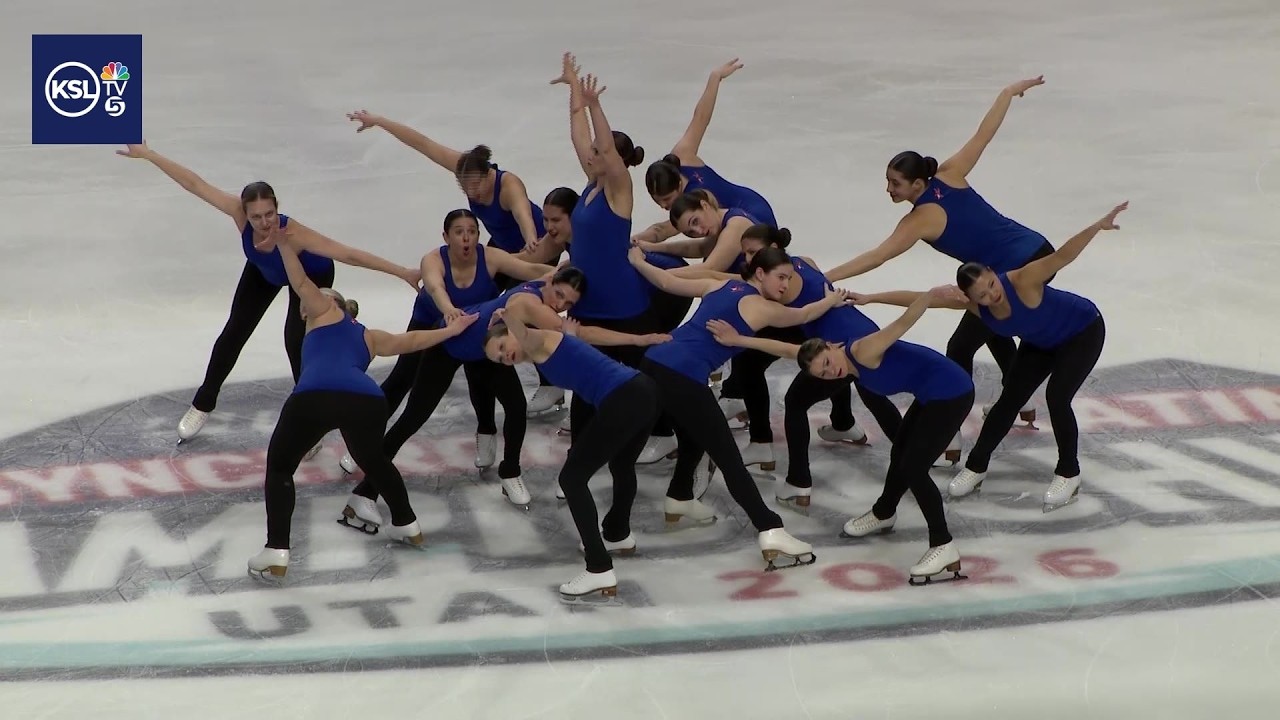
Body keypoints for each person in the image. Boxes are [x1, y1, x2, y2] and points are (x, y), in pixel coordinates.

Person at [115, 142, 421, 447]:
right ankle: (203, 403)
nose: (264, 223)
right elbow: (194, 184)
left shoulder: (295, 234)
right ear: (245, 213)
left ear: (277, 207)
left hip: (310, 276)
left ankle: (309, 420)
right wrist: (151, 155)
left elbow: (349, 254)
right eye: (256, 217)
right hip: (264, 272)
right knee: (233, 333)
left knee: (296, 343)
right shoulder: (237, 213)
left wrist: (401, 271)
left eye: (270, 214)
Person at [824, 76, 1052, 451]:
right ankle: (1020, 396)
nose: (889, 190)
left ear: (916, 184)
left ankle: (953, 424)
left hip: (1013, 271)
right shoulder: (949, 173)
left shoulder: (919, 219)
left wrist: (825, 276)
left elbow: (878, 256)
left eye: (896, 183)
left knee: (961, 346)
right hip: (1039, 250)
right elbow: (984, 135)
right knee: (992, 325)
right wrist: (1007, 94)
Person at [854, 202, 1124, 512]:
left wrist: (1096, 226)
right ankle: (976, 465)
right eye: (982, 294)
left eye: (992, 284)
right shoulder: (974, 307)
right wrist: (870, 297)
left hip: (1082, 332)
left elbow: (1063, 255)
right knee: (1009, 400)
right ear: (970, 299)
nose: (992, 295)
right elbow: (920, 299)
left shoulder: (1022, 279)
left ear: (995, 274)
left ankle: (1068, 472)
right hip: (1041, 343)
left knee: (1058, 398)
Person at [340, 269, 665, 520]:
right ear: (551, 283)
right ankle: (365, 493)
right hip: (449, 346)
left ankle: (510, 472)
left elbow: (546, 293)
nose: (561, 305)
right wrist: (638, 340)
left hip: (491, 352)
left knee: (515, 406)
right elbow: (582, 333)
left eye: (569, 304)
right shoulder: (532, 305)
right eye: (560, 296)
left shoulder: (541, 286)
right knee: (412, 418)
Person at [248, 232, 477, 581]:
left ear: (331, 303)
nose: (303, 302)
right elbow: (411, 341)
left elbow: (299, 279)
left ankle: (276, 550)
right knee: (376, 462)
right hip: (368, 401)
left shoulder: (323, 310)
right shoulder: (369, 335)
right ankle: (407, 524)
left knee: (280, 468)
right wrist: (450, 331)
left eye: (309, 299)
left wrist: (283, 243)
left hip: (316, 396)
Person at [708, 288, 975, 585]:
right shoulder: (839, 363)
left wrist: (928, 295)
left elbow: (903, 323)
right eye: (822, 375)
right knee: (900, 453)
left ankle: (943, 545)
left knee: (913, 468)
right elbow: (784, 349)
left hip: (952, 392)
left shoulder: (861, 351)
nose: (829, 372)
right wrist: (738, 340)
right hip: (929, 394)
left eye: (826, 363)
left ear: (832, 346)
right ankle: (884, 512)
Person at [627, 245, 850, 571]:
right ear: (760, 273)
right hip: (682, 375)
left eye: (789, 279)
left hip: (654, 361)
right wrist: (830, 300)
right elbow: (802, 315)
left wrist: (637, 261)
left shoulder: (718, 285)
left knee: (693, 439)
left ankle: (680, 497)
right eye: (781, 277)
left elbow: (666, 282)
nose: (786, 286)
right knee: (729, 458)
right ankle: (770, 528)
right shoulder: (761, 307)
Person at [337, 209, 556, 474]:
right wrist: (448, 309)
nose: (466, 238)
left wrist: (564, 274)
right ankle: (361, 445)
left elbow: (530, 269)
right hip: (432, 323)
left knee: (482, 378)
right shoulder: (433, 259)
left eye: (472, 232)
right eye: (459, 232)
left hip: (472, 326)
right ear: (446, 236)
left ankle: (486, 435)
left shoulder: (490, 257)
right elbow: (435, 287)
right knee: (402, 379)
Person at [484, 313, 657, 604]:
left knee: (572, 479)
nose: (505, 356)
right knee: (621, 464)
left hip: (624, 398)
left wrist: (506, 311)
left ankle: (598, 567)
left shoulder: (536, 341)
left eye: (502, 346)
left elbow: (522, 326)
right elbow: (575, 358)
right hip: (643, 391)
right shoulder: (547, 348)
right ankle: (617, 534)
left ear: (513, 332)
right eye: (500, 359)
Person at [735, 225, 905, 508]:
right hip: (862, 332)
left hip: (841, 347)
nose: (749, 260)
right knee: (870, 390)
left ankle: (798, 481)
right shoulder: (803, 262)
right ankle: (904, 456)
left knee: (796, 400)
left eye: (753, 253)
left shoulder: (779, 290)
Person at [551, 55, 659, 440]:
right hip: (587, 302)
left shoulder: (619, 189)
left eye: (597, 153)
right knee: (585, 382)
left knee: (638, 382)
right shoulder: (592, 183)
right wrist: (574, 92)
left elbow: (604, 150)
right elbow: (579, 137)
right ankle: (580, 451)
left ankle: (658, 438)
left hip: (622, 305)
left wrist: (595, 104)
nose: (589, 155)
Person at [346, 109, 545, 281]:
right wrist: (379, 121)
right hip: (503, 246)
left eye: (476, 185)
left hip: (535, 247)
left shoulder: (508, 185)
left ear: (488, 175)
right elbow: (424, 144)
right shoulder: (464, 167)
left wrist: (530, 239)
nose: (471, 192)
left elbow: (523, 214)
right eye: (465, 186)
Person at [633, 58, 777, 246]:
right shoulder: (680, 157)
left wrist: (631, 241)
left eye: (667, 199)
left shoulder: (694, 201)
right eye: (657, 201)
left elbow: (662, 231)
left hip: (753, 215)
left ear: (678, 184)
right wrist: (714, 78)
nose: (664, 206)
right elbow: (700, 118)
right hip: (745, 207)